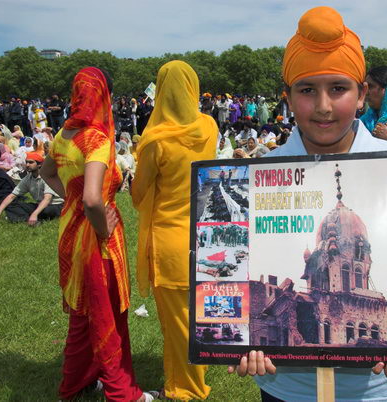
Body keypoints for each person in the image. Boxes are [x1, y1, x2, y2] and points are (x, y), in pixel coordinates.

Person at [228, 7, 387, 402]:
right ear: (287, 98)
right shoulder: (262, 174)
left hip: (378, 389)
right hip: (289, 386)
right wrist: (239, 339)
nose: (323, 107)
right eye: (306, 90)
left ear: (363, 93)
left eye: (338, 88)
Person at [39, 67, 153, 402]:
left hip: (69, 235)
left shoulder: (63, 136)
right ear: (104, 96)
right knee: (107, 315)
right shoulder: (98, 139)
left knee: (82, 314)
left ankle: (76, 382)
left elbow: (48, 173)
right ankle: (121, 392)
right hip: (96, 242)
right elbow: (92, 198)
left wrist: (72, 199)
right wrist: (104, 225)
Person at [132, 60, 217, 400]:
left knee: (178, 322)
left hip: (169, 240)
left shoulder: (155, 140)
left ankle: (186, 389)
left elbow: (138, 194)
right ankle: (193, 374)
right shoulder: (209, 126)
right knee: (198, 313)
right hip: (206, 233)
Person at [0, 152, 63, 225]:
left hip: (57, 205)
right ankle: (28, 221)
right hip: (40, 205)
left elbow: (47, 199)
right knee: (11, 205)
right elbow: (11, 196)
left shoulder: (47, 176)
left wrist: (34, 214)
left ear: (40, 165)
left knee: (46, 211)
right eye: (26, 162)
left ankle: (28, 218)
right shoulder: (28, 178)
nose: (27, 165)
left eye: (31, 162)